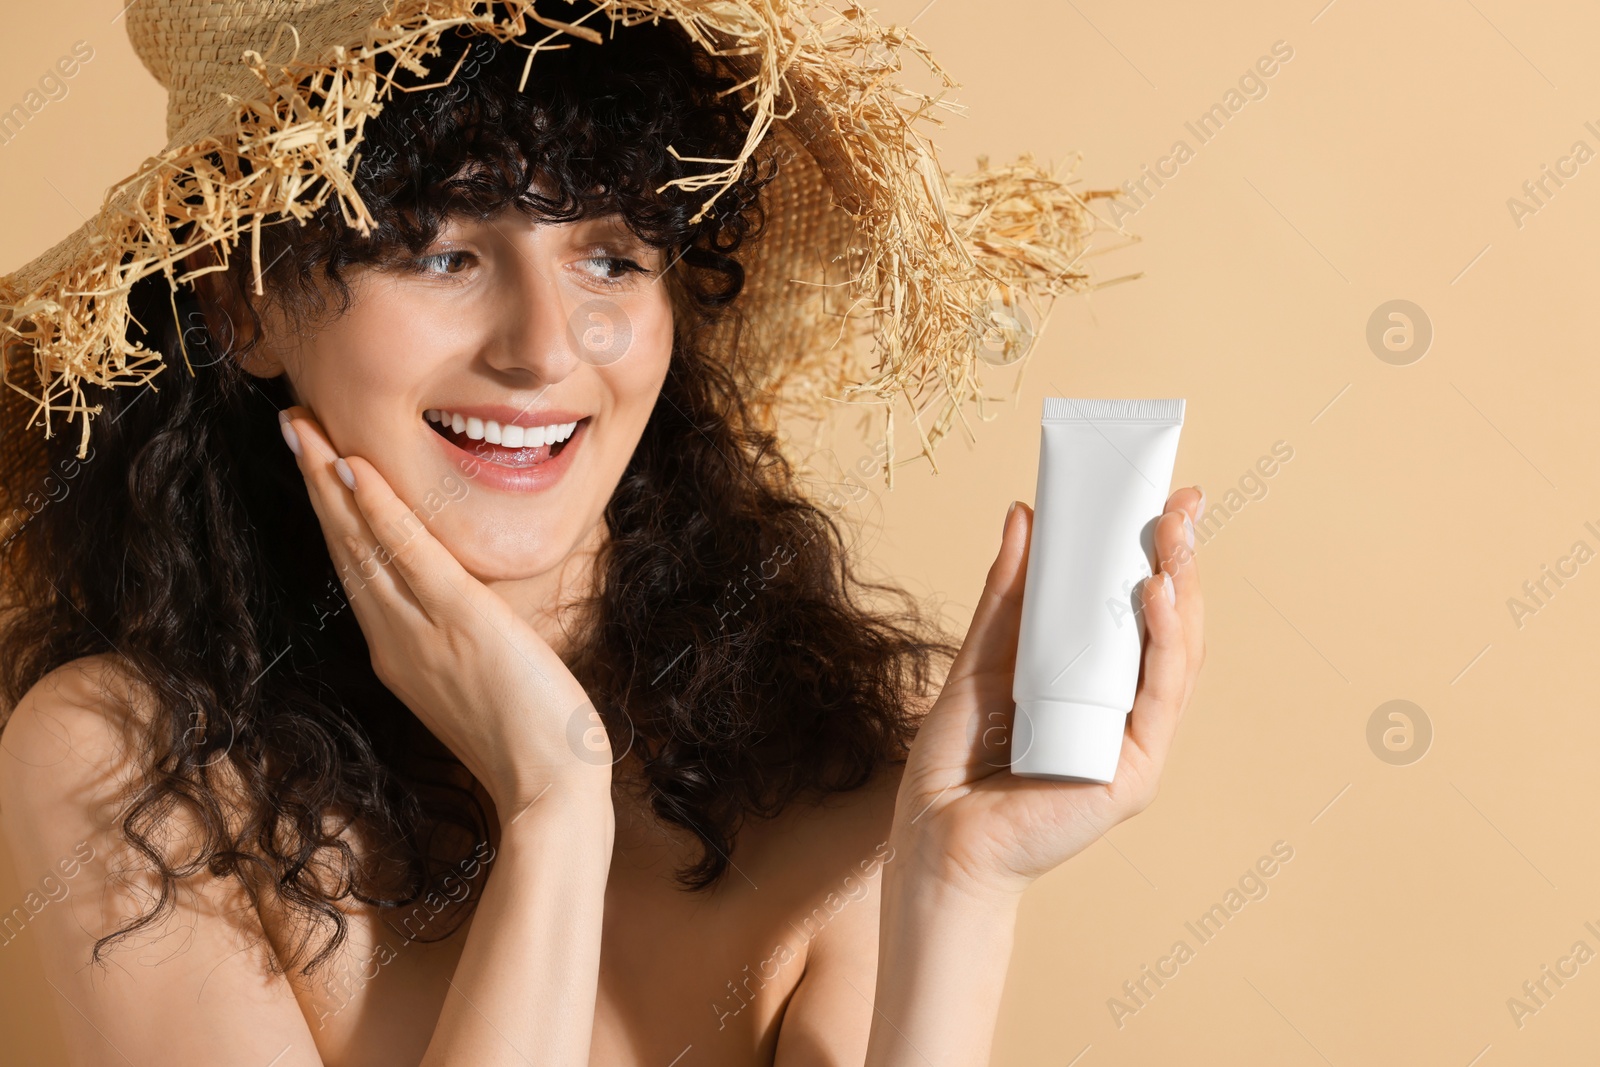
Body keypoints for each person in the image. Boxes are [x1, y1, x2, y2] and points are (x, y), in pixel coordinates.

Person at [0, 3, 1205, 1064]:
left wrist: (959, 885)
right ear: (242, 304)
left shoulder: (825, 774)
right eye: (442, 248)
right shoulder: (131, 759)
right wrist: (553, 806)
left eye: (611, 256)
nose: (543, 347)